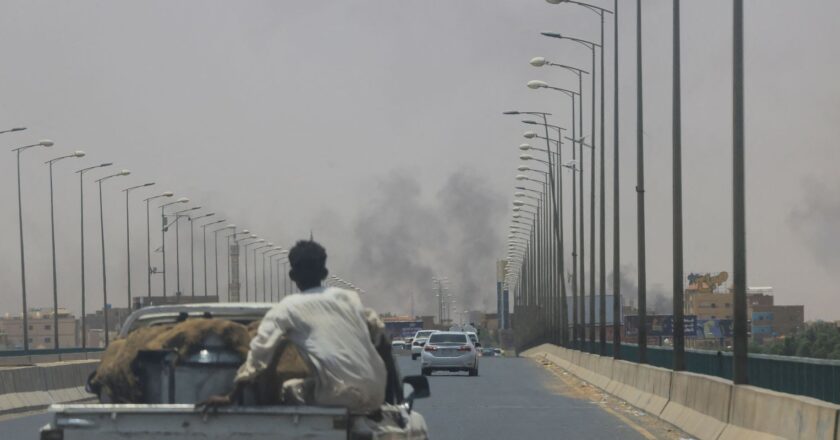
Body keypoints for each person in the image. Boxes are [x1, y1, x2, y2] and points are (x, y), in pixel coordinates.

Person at [201, 239, 388, 412]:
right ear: (324, 274)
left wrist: (230, 397)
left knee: (290, 389)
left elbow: (259, 355)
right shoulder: (350, 298)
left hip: (337, 396)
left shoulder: (286, 308)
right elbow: (379, 330)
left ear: (292, 275)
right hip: (378, 393)